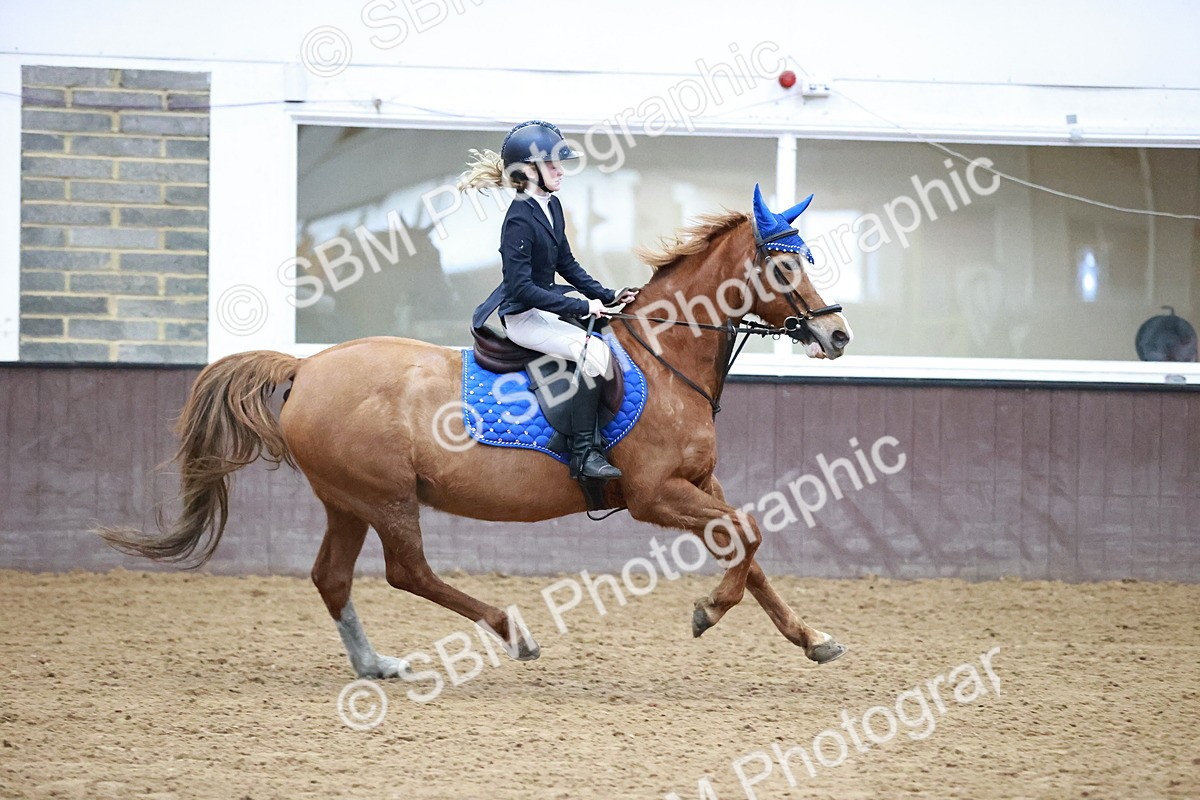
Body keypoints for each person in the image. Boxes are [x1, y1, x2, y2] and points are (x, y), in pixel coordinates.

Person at [458, 120, 639, 480]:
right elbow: (521, 288)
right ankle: (584, 454)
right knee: (595, 352)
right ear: (528, 170)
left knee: (602, 338)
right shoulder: (518, 221)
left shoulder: (551, 207)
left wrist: (607, 294)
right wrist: (582, 306)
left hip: (545, 308)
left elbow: (565, 264)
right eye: (553, 164)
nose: (561, 171)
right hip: (524, 317)